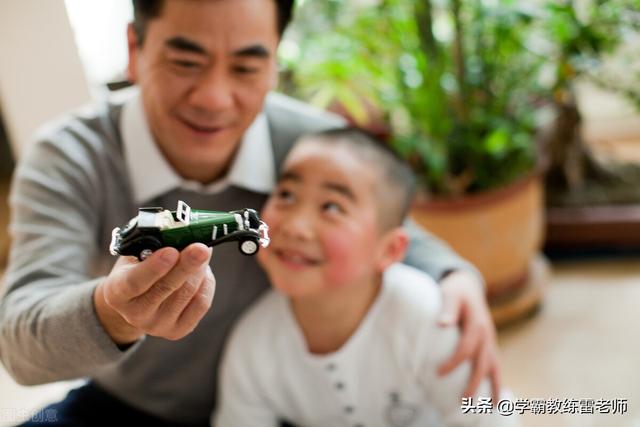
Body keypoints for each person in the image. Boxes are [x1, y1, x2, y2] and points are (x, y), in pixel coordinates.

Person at [0, 1, 498, 426]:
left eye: (245, 67)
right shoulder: (69, 156)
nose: (214, 99)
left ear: (275, 63)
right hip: (129, 404)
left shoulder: (312, 147)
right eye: (185, 61)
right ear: (135, 49)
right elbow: (19, 343)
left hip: (287, 407)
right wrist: (115, 310)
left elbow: (393, 228)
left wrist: (455, 275)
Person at [214, 128, 514, 427]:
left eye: (331, 207)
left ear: (389, 250)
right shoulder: (253, 344)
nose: (295, 226)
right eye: (286, 195)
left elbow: (490, 418)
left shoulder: (429, 316)